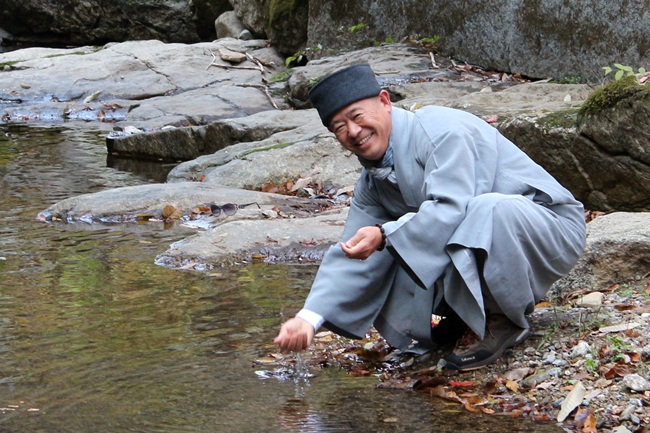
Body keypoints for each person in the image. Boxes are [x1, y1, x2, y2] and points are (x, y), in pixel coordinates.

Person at [274, 63, 586, 370]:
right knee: (432, 329)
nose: (354, 132)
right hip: (485, 236)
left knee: (485, 209)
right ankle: (455, 321)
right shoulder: (371, 182)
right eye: (340, 127)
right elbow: (352, 252)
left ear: (385, 102)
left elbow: (453, 209)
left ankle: (504, 320)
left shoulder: (442, 130)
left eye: (357, 117)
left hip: (550, 229)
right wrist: (308, 318)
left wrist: (384, 235)